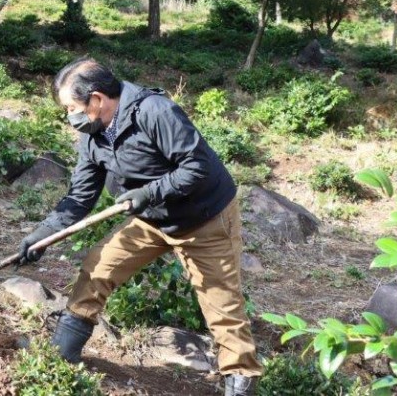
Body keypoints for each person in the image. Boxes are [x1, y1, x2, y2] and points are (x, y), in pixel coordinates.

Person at [19, 58, 262, 396]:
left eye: (71, 107)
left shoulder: (154, 112)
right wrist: (41, 236)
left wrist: (150, 192)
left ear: (98, 99)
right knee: (98, 266)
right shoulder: (93, 137)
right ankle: (61, 354)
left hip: (204, 219)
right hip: (152, 220)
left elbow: (198, 166)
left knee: (222, 305)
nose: (69, 116)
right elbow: (80, 196)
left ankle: (240, 381)